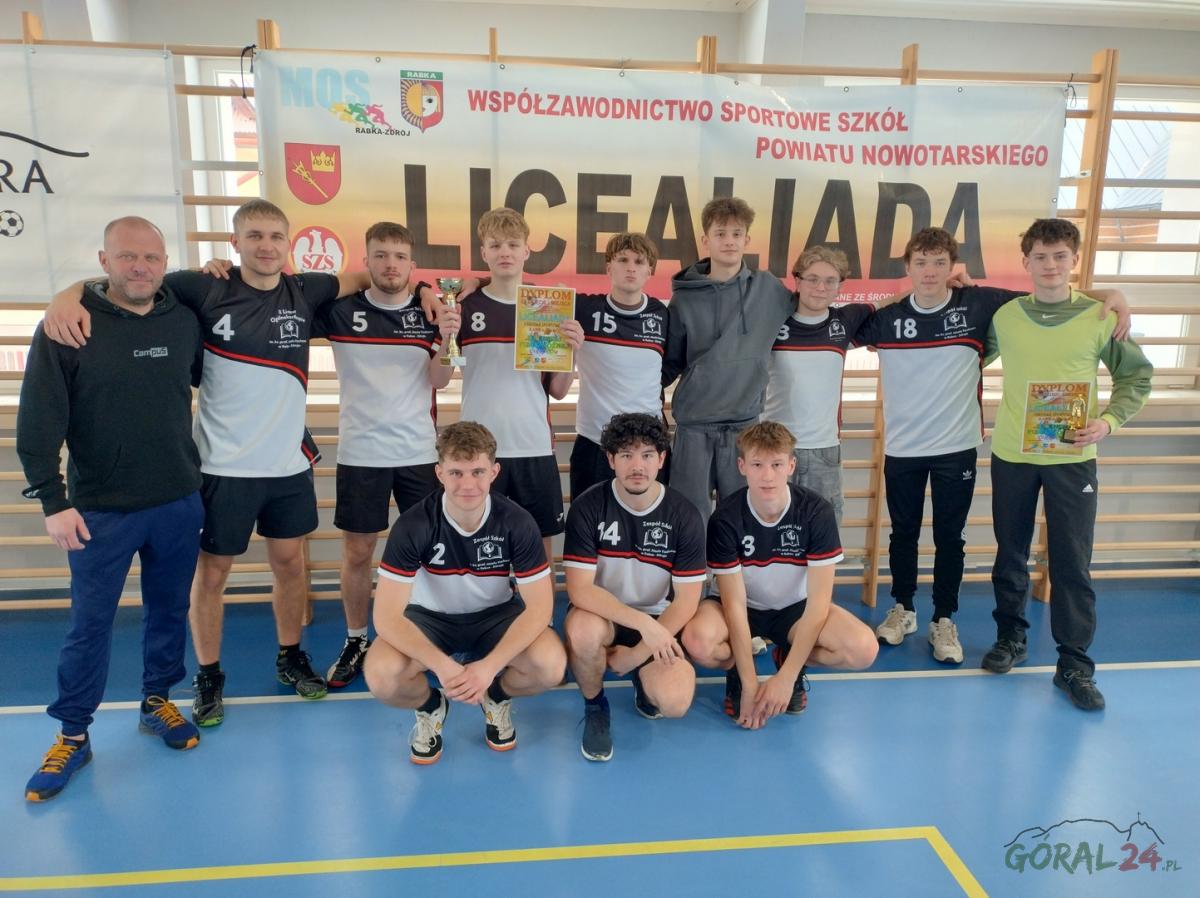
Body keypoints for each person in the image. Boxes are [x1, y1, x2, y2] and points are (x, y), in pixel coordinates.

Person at [41, 199, 417, 726]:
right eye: (254, 236)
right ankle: (209, 674)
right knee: (213, 574)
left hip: (287, 465)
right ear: (234, 243)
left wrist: (435, 291)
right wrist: (67, 294)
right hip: (222, 467)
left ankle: (291, 656)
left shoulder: (306, 289)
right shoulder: (204, 287)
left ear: (289, 244)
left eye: (275, 237)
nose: (266, 246)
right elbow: (131, 280)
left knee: (290, 566)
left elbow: (366, 276)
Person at [854, 227, 1131, 665]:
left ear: (953, 267)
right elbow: (838, 322)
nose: (930, 272)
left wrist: (1109, 294)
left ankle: (944, 619)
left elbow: (1049, 294)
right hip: (903, 447)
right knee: (903, 533)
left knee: (950, 537)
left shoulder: (980, 304)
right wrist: (899, 294)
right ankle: (903, 608)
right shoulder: (887, 319)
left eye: (940, 263)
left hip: (958, 446)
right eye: (920, 263)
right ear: (907, 267)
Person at [18, 217, 205, 801]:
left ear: (165, 261)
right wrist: (53, 500)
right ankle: (73, 734)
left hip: (178, 500)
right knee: (90, 625)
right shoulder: (68, 325)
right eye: (127, 257)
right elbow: (38, 420)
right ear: (104, 261)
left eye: (151, 257)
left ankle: (157, 701)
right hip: (100, 509)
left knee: (169, 610)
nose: (140, 267)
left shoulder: (183, 319)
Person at [981, 218, 1151, 711]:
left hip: (1072, 458)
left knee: (1072, 560)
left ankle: (1074, 664)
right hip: (1013, 454)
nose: (1050, 265)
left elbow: (1136, 378)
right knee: (1010, 552)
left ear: (1075, 260)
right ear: (1026, 262)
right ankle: (1010, 637)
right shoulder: (1005, 317)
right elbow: (965, 357)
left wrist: (1108, 422)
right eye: (1041, 256)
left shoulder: (1101, 316)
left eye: (1060, 256)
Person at [363, 422, 567, 764]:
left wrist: (489, 669)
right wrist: (443, 668)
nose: (468, 484)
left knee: (551, 665)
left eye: (478, 472)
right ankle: (431, 706)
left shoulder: (517, 522)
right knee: (381, 676)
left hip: (495, 617)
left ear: (494, 472)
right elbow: (385, 617)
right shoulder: (414, 525)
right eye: (456, 472)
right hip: (429, 619)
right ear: (439, 473)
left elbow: (540, 607)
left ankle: (495, 697)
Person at [313, 221, 459, 688]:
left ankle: (424, 631)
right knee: (358, 552)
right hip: (361, 453)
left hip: (417, 451)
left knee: (428, 550)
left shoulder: (430, 313)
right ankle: (357, 638)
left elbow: (439, 381)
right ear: (367, 261)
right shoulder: (340, 311)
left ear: (411, 264)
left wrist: (447, 340)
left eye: (399, 256)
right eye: (380, 255)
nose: (390, 264)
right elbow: (283, 300)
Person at [684, 422, 878, 728]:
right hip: (743, 608)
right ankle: (738, 672)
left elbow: (818, 605)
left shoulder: (815, 512)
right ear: (742, 466)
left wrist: (786, 678)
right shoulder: (726, 518)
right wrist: (750, 683)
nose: (767, 475)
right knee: (697, 641)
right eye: (757, 465)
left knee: (863, 649)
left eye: (776, 464)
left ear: (791, 466)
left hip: (795, 611)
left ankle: (789, 657)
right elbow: (734, 605)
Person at [562, 413, 707, 761]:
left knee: (675, 702)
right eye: (626, 455)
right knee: (582, 631)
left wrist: (638, 653)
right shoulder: (588, 507)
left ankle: (644, 677)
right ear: (611, 459)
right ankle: (595, 706)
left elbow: (687, 601)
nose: (637, 466)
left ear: (661, 459)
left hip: (658, 617)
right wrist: (643, 626)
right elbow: (580, 591)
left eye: (647, 455)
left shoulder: (684, 515)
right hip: (604, 615)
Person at [456, 208, 583, 565]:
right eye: (496, 245)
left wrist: (572, 352)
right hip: (479, 449)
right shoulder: (465, 304)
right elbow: (441, 374)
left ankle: (537, 604)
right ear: (484, 252)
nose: (505, 252)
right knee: (477, 543)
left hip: (532, 444)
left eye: (513, 245)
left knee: (538, 547)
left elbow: (558, 390)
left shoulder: (546, 307)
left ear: (527, 251)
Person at [662, 197, 794, 531]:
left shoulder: (769, 289)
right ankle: (696, 570)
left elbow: (813, 308)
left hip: (744, 427)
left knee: (741, 519)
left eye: (737, 234)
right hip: (694, 426)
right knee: (690, 520)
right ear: (705, 240)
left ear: (747, 239)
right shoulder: (684, 298)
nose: (729, 241)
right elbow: (669, 362)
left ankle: (734, 570)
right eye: (720, 234)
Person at [762, 246, 876, 524]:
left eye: (830, 281)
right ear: (797, 281)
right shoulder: (772, 321)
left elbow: (893, 304)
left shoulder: (845, 321)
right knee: (772, 531)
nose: (820, 287)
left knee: (823, 532)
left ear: (840, 286)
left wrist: (943, 285)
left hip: (824, 450)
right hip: (774, 447)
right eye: (812, 279)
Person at [570, 234, 670, 501]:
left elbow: (669, 368)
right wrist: (480, 281)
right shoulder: (583, 308)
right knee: (587, 521)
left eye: (639, 261)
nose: (630, 268)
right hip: (595, 442)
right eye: (623, 260)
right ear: (608, 268)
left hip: (646, 446)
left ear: (650, 270)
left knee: (647, 521)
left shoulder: (662, 314)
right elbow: (523, 293)